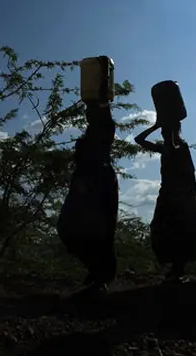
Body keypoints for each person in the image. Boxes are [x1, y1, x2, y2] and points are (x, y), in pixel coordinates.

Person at [57, 101, 119, 295]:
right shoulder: (89, 135)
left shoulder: (105, 130)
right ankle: (97, 270)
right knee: (67, 227)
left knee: (99, 231)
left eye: (92, 109)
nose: (88, 113)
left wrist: (100, 95)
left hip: (99, 184)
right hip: (83, 183)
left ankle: (102, 276)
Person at [135, 121, 196, 283]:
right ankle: (174, 268)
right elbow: (139, 139)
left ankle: (178, 269)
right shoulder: (165, 148)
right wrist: (156, 125)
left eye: (166, 132)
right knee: (162, 228)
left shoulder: (181, 147)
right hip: (167, 194)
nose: (163, 135)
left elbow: (174, 148)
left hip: (181, 197)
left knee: (180, 231)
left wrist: (170, 130)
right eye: (163, 133)